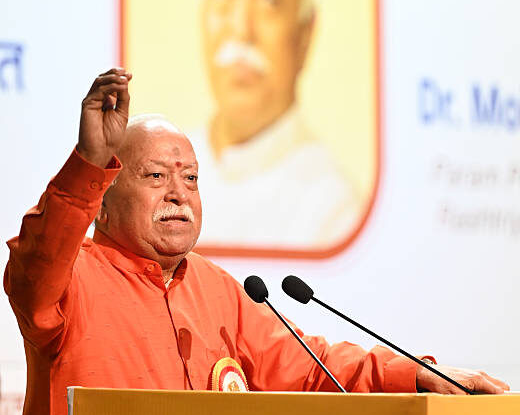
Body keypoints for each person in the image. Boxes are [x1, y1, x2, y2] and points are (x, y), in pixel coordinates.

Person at [4, 68, 509, 415]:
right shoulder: (70, 279)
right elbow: (36, 262)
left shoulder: (219, 291)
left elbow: (314, 369)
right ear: (103, 199)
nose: (179, 193)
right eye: (156, 176)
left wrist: (415, 376)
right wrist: (88, 163)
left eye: (191, 178)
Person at [191, 0, 359, 250]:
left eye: (269, 0)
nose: (242, 28)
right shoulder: (160, 175)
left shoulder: (333, 213)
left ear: (305, 34)